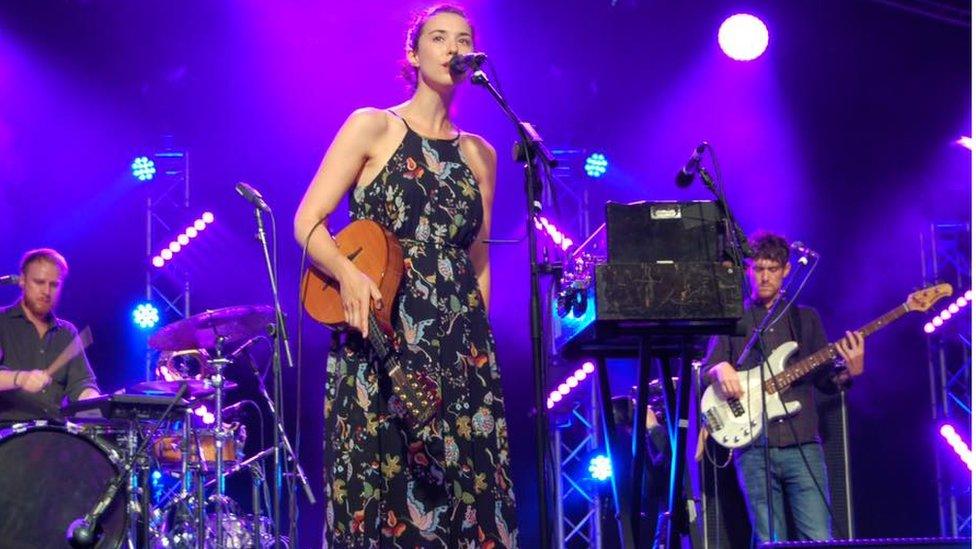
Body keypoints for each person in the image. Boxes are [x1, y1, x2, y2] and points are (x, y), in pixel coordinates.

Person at [293, 4, 518, 547]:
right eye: (438, 38)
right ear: (414, 55)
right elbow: (307, 222)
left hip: (459, 345)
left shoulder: (482, 154)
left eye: (462, 39)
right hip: (380, 332)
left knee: (469, 487)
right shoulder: (373, 124)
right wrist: (346, 274)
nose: (452, 47)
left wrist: (474, 351)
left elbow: (478, 262)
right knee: (382, 479)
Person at [701, 232, 864, 544]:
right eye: (757, 269)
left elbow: (824, 380)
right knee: (770, 539)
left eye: (772, 269)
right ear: (747, 270)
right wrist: (720, 368)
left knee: (817, 536)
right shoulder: (733, 319)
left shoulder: (805, 319)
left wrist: (848, 371)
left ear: (786, 271)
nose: (764, 277)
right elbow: (707, 371)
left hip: (802, 442)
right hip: (752, 447)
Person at [0, 248, 100, 422]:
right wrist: (20, 378)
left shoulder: (66, 332)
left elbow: (81, 383)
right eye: (39, 282)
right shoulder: (2, 322)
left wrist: (92, 398)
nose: (47, 291)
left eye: (54, 284)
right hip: (7, 435)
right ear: (22, 281)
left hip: (54, 436)